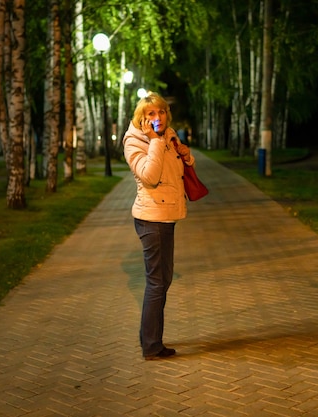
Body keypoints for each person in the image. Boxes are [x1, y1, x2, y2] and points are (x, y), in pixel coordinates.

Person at [122, 92, 194, 360]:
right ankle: (152, 346)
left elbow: (177, 171)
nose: (157, 118)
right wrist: (154, 142)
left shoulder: (169, 135)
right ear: (141, 119)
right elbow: (151, 176)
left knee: (163, 280)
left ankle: (151, 340)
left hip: (165, 216)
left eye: (161, 112)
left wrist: (185, 155)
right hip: (151, 219)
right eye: (150, 114)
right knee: (156, 282)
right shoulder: (134, 143)